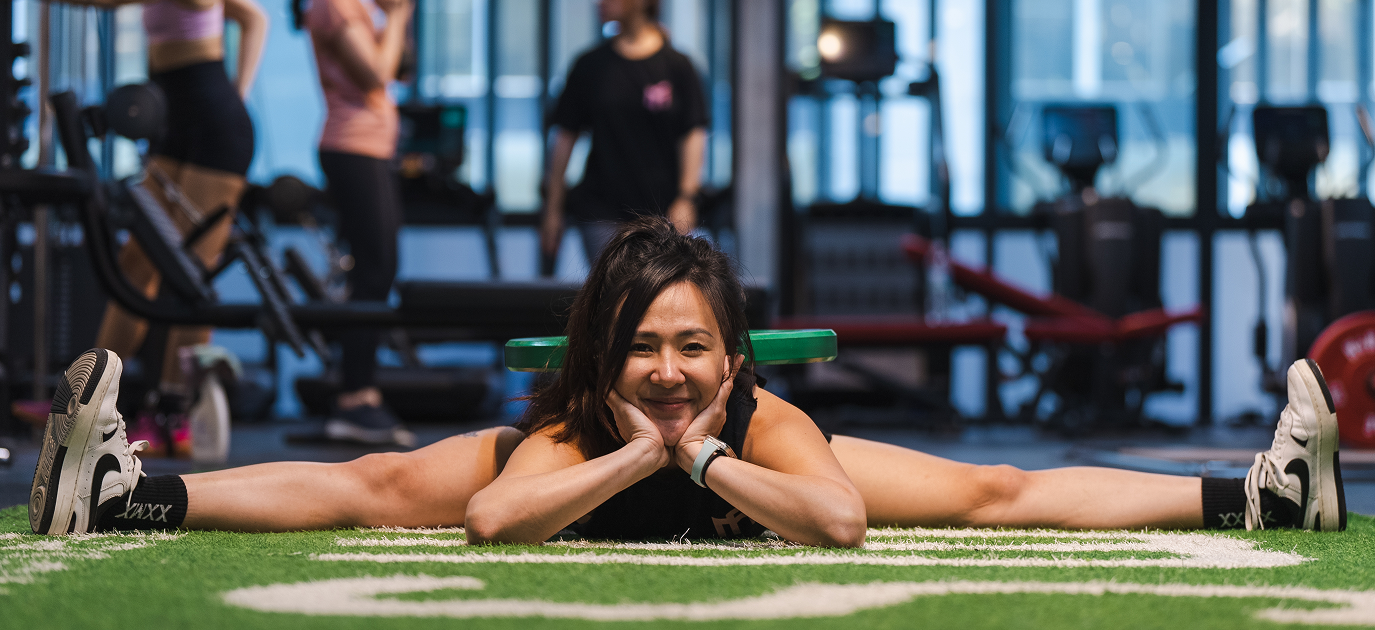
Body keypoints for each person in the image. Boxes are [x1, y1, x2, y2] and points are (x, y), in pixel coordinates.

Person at [29, 218, 1345, 540]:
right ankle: (124, 494)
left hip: (733, 469)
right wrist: (633, 445)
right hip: (605, 463)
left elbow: (834, 519)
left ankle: (1260, 498)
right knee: (376, 482)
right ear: (602, 355)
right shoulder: (567, 419)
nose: (667, 367)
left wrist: (707, 451)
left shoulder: (767, 416)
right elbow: (490, 522)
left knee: (990, 485)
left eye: (690, 346)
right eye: (642, 345)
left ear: (730, 355)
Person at [76, 0, 267, 453]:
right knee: (135, 262)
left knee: (190, 276)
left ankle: (173, 413)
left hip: (215, 123)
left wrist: (238, 93)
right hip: (173, 119)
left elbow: (236, 12)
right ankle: (92, 405)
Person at [291, 0, 414, 446]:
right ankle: (353, 400)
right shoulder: (334, 5)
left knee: (376, 272)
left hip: (370, 150)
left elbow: (402, 69)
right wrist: (397, 16)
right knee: (375, 269)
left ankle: (362, 392)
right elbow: (376, 74)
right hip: (352, 147)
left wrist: (394, 16)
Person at [542, 0, 708, 264]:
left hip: (662, 213)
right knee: (612, 297)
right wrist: (553, 209)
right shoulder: (589, 65)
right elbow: (564, 137)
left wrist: (686, 197)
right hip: (602, 210)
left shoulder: (678, 66)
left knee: (652, 297)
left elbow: (693, 134)